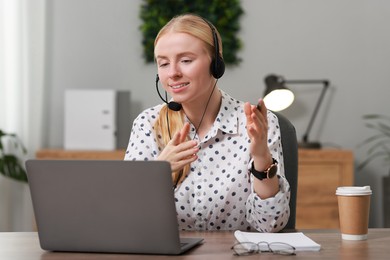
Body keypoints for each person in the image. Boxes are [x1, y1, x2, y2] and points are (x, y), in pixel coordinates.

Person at [124, 13, 290, 232]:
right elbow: (125, 218)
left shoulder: (256, 123)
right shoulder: (147, 124)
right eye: (163, 63)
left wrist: (261, 157)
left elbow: (270, 225)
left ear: (216, 63)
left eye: (186, 60)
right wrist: (157, 173)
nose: (173, 73)